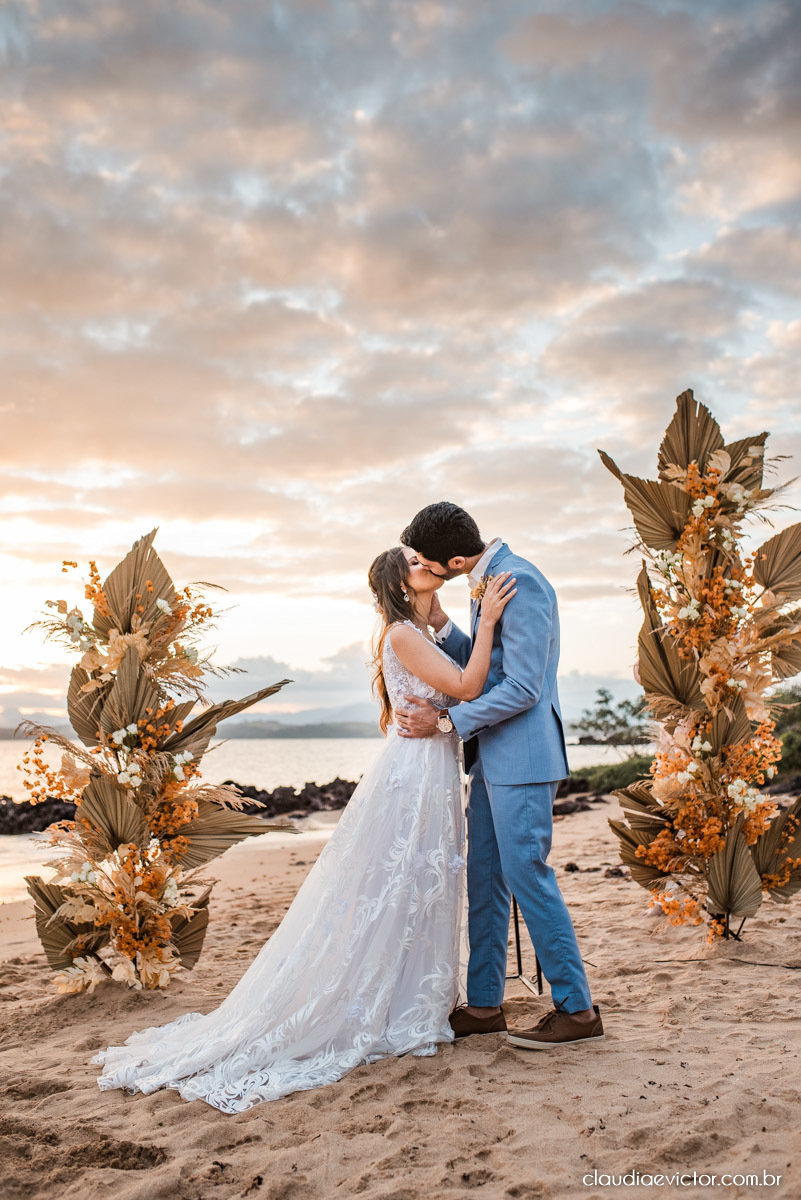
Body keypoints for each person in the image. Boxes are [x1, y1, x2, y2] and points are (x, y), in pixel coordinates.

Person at [92, 547, 515, 1112]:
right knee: (397, 882)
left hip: (430, 768)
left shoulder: (420, 631)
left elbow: (452, 685)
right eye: (414, 563)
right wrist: (488, 622)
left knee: (418, 884)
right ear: (398, 584)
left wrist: (450, 622)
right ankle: (381, 1003)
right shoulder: (401, 635)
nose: (427, 564)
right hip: (414, 775)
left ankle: (408, 996)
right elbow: (466, 687)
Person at [398, 501, 603, 1050]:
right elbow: (490, 668)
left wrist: (446, 721)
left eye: (425, 560)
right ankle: (486, 1005)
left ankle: (578, 1010)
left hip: (525, 758)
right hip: (492, 756)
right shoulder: (485, 582)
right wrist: (444, 625)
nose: (421, 567)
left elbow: (523, 687)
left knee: (526, 874)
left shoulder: (520, 581)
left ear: (454, 560)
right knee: (484, 875)